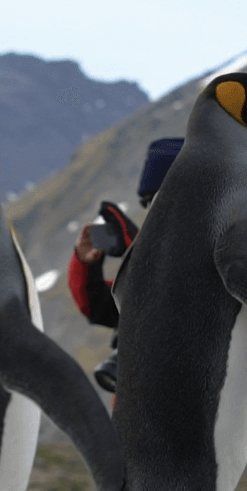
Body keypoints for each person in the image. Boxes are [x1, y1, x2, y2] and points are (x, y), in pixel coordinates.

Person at [68, 137, 183, 392]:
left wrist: (135, 249)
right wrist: (87, 264)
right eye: (149, 202)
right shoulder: (150, 272)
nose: (156, 210)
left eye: (164, 198)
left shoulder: (222, 261)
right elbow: (98, 306)